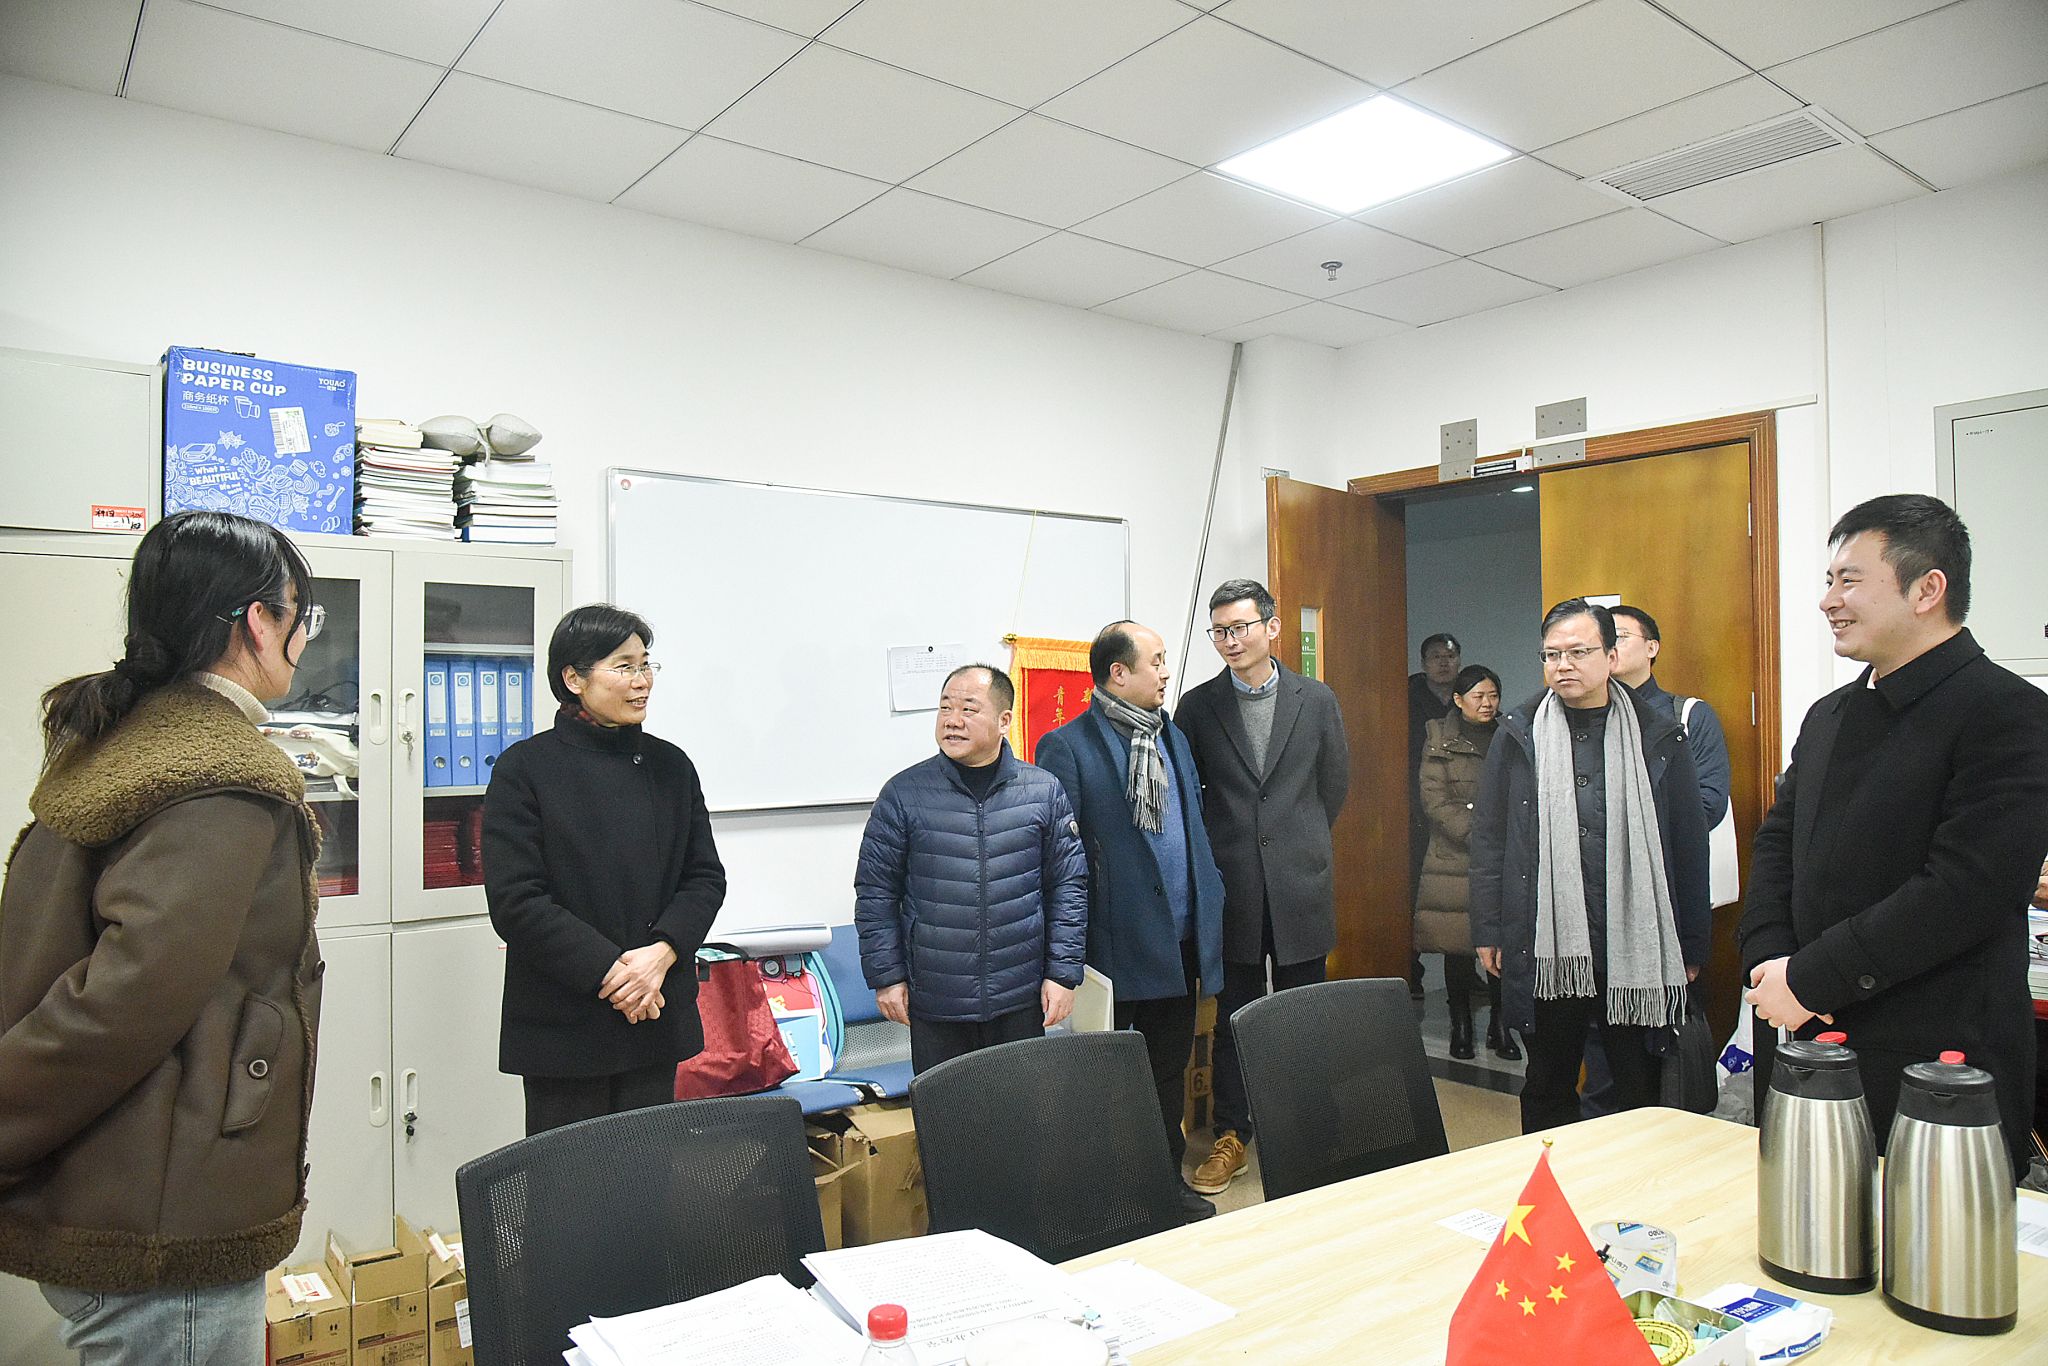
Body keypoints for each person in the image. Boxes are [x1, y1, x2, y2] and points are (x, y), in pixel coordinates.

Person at [0, 510, 325, 1364]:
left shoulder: (121, 736)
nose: (303, 640)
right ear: (259, 622)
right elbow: (120, 1003)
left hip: (117, 1177)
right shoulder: (222, 779)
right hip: (167, 1214)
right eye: (303, 617)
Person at [1739, 494, 2048, 1172]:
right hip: (1805, 1034)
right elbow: (1778, 842)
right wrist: (1768, 957)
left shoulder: (2007, 711)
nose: (1828, 600)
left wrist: (1812, 978)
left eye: (1849, 580)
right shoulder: (1830, 714)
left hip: (1935, 1057)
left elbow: (1968, 889)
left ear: (1927, 590)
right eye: (1829, 580)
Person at [483, 604, 727, 1136]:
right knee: (570, 1179)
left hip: (654, 1011)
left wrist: (660, 955)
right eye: (624, 667)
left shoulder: (671, 766)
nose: (642, 682)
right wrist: (618, 974)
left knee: (649, 1173)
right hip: (567, 1022)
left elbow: (705, 878)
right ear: (574, 679)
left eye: (645, 665)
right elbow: (517, 901)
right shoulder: (524, 769)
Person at [1470, 598, 1710, 1134]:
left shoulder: (1658, 734)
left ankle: (1633, 1181)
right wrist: (1488, 928)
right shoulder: (1519, 732)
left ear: (1610, 656)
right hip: (1547, 940)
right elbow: (1489, 840)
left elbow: (1688, 845)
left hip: (1633, 939)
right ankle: (1551, 1182)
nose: (1564, 665)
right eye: (1552, 654)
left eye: (1579, 652)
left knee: (1638, 1086)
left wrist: (1693, 944)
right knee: (1548, 1083)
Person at [1036, 621, 1224, 1219]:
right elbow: (1059, 859)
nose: (1167, 673)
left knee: (1169, 1072)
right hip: (1115, 947)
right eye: (1157, 661)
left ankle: (1164, 1187)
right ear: (1118, 673)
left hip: (1180, 940)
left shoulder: (1171, 735)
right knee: (1111, 1081)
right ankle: (1112, 1196)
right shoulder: (1068, 745)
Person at [1175, 579, 1350, 1195]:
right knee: (1233, 1018)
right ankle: (1232, 1134)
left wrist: (1297, 842)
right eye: (1219, 631)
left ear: (1271, 628)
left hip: (1301, 885)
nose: (1230, 640)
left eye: (1241, 627)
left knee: (1306, 1014)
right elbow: (1191, 797)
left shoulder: (1316, 699)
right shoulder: (1198, 707)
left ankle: (1310, 1131)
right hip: (1233, 889)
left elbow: (1334, 786)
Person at [854, 663, 1088, 1074]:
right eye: (945, 707)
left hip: (1019, 995)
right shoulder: (904, 794)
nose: (953, 720)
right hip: (936, 999)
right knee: (946, 1110)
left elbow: (1068, 886)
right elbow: (876, 892)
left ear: (1004, 721)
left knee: (1019, 1108)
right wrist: (887, 977)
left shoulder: (1042, 790)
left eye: (968, 709)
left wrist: (1063, 974)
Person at [1581, 603, 1732, 1116]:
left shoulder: (1684, 717)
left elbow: (1708, 801)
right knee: (1600, 1052)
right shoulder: (1577, 719)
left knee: (1657, 1042)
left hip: (1663, 897)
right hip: (1594, 903)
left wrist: (1634, 830)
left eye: (1622, 635)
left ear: (1652, 647)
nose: (1613, 645)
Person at [1416, 665, 1518, 1062]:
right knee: (1457, 946)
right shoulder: (1438, 737)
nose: (1487, 703)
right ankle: (1461, 1025)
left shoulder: (1511, 734)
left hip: (1504, 856)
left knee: (1503, 944)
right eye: (1478, 696)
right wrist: (1482, 837)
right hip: (1454, 856)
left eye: (1493, 695)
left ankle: (1500, 1025)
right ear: (1458, 700)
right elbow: (1435, 801)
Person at [1408, 633, 1462, 996]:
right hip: (1413, 802)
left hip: (1460, 804)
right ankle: (1409, 969)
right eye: (1436, 657)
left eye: (1450, 656)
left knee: (1460, 894)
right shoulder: (1406, 696)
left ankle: (1464, 973)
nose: (1443, 662)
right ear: (1423, 663)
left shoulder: (1470, 695)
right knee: (1413, 887)